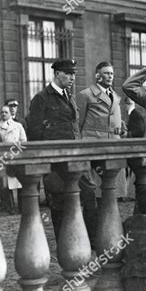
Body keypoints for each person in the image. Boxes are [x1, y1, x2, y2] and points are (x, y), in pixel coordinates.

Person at [27, 58, 95, 243]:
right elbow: (34, 133)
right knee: (59, 201)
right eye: (68, 73)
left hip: (77, 158)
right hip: (56, 162)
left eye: (74, 73)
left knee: (89, 194)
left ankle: (91, 239)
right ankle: (65, 242)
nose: (72, 77)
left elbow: (74, 127)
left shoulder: (70, 97)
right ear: (57, 74)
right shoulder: (41, 99)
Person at [76, 61, 129, 232]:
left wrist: (120, 129)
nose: (110, 76)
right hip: (94, 146)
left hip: (113, 146)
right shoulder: (86, 95)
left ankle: (109, 229)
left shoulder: (115, 96)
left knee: (111, 192)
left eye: (111, 74)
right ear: (97, 75)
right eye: (106, 73)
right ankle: (93, 233)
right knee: (95, 195)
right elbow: (79, 124)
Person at [0, 105, 27, 213]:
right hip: (4, 158)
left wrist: (16, 150)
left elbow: (24, 140)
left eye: (6, 112)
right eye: (2, 112)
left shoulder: (17, 126)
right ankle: (9, 207)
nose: (4, 114)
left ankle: (22, 207)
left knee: (19, 183)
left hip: (16, 157)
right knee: (6, 185)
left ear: (10, 113)